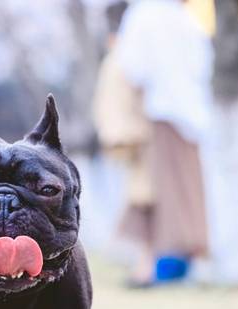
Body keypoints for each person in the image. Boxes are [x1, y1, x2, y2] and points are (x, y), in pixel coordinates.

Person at [115, 0, 213, 286]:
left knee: (156, 189)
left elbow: (133, 67)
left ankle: (158, 265)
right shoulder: (188, 19)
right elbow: (203, 65)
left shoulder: (143, 14)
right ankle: (181, 263)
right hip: (192, 114)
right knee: (187, 188)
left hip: (157, 110)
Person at [92, 1, 154, 285]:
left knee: (144, 201)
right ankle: (146, 267)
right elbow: (115, 103)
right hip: (136, 138)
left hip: (132, 138)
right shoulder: (122, 61)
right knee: (143, 202)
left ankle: (148, 267)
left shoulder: (120, 59)